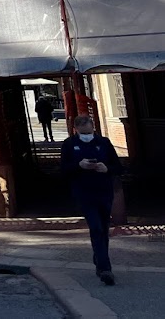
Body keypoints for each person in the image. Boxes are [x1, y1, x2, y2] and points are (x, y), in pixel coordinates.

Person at [60, 115, 123, 285]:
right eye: (83, 133)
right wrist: (78, 166)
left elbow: (119, 167)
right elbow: (62, 170)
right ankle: (105, 269)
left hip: (104, 191)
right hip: (84, 193)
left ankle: (99, 259)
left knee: (103, 228)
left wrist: (106, 169)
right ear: (76, 130)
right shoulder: (69, 144)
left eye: (89, 132)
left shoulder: (104, 143)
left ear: (93, 128)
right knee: (95, 227)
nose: (87, 135)